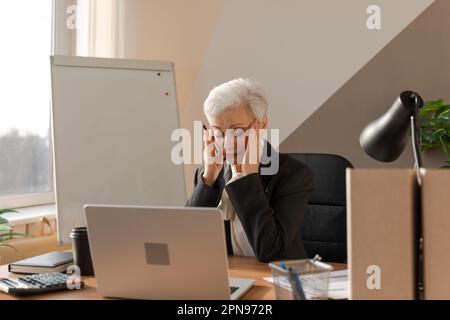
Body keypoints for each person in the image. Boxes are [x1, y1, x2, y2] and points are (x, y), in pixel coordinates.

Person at [186, 78, 313, 263]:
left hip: (279, 281)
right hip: (231, 275)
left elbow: (269, 251)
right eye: (219, 133)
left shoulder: (293, 174)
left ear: (261, 126)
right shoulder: (209, 173)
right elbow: (187, 242)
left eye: (237, 131)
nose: (227, 143)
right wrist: (209, 177)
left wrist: (248, 177)